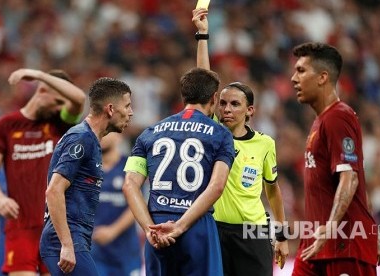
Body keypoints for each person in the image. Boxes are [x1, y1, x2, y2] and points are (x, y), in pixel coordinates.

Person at [192, 8, 289, 276]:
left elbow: (273, 191)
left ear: (250, 111)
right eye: (222, 103)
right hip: (216, 230)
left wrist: (281, 234)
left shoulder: (265, 144)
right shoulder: (212, 132)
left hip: (253, 232)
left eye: (235, 104)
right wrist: (203, 34)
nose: (227, 109)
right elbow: (202, 79)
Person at [123, 67, 235, 276]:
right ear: (214, 97)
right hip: (196, 224)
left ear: (183, 96)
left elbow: (129, 184)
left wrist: (148, 228)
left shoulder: (149, 132)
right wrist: (181, 226)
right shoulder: (221, 134)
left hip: (156, 225)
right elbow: (217, 185)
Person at [0, 68, 86, 276]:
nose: (61, 108)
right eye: (57, 102)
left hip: (54, 227)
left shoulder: (59, 123)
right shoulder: (6, 125)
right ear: (43, 91)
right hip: (21, 226)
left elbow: (80, 99)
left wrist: (38, 75)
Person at [290, 42, 380, 275]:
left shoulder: (338, 118)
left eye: (301, 71)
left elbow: (350, 178)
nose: (293, 78)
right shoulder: (322, 121)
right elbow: (357, 178)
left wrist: (332, 227)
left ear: (322, 77)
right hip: (316, 242)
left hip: (344, 244)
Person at [39, 77, 133, 275]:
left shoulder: (90, 140)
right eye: (127, 105)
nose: (131, 113)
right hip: (64, 240)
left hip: (72, 239)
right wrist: (66, 244)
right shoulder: (82, 138)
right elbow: (54, 190)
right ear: (110, 109)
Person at [91, 132, 142, 276]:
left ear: (119, 136)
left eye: (107, 132)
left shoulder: (130, 168)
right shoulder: (87, 169)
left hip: (126, 254)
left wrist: (113, 230)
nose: (102, 136)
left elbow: (138, 205)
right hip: (96, 253)